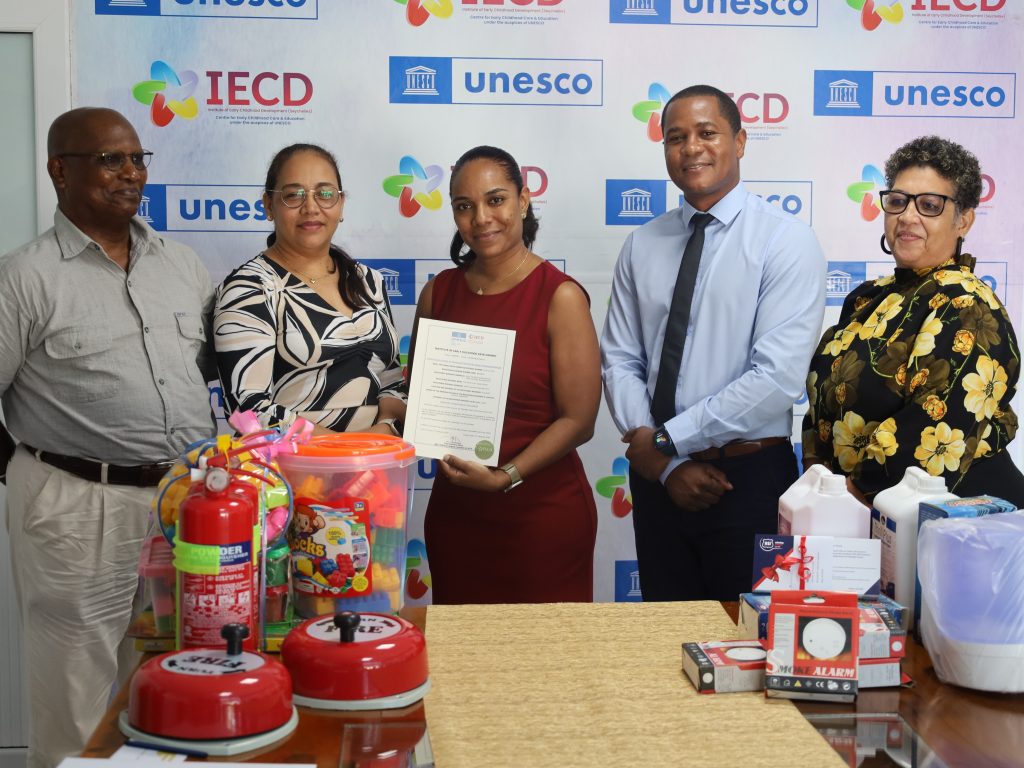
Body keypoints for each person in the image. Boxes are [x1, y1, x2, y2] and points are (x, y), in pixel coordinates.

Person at [0, 107, 216, 768]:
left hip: (179, 506)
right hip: (76, 506)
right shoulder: (24, 277)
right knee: (75, 703)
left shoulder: (182, 265)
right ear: (59, 171)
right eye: (109, 160)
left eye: (137, 159)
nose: (130, 173)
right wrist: (29, 474)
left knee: (164, 686)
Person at [601, 85, 826, 602]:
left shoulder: (785, 240)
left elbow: (776, 379)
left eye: (707, 133)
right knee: (663, 636)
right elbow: (620, 360)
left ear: (740, 141)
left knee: (751, 636)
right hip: (659, 481)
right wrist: (665, 464)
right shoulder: (642, 244)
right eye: (675, 137)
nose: (691, 148)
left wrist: (666, 442)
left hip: (748, 480)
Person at [413, 145, 600, 603]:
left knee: (544, 646)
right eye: (464, 206)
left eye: (495, 200)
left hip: (540, 518)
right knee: (460, 644)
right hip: (456, 515)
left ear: (524, 199)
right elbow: (422, 397)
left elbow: (580, 420)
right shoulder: (438, 293)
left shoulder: (560, 296)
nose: (481, 218)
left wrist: (506, 476)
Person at [803, 136, 1024, 505]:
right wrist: (817, 483)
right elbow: (822, 408)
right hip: (855, 513)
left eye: (930, 205)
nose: (907, 216)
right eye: (897, 201)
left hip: (954, 519)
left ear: (964, 220)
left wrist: (845, 502)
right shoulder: (867, 298)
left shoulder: (968, 304)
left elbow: (933, 432)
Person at [214, 144, 406, 435]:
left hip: (378, 460)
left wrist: (387, 427)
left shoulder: (369, 282)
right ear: (268, 205)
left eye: (325, 194)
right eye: (293, 195)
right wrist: (345, 448)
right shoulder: (249, 288)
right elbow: (248, 409)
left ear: (341, 204)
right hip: (291, 463)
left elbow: (392, 380)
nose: (311, 207)